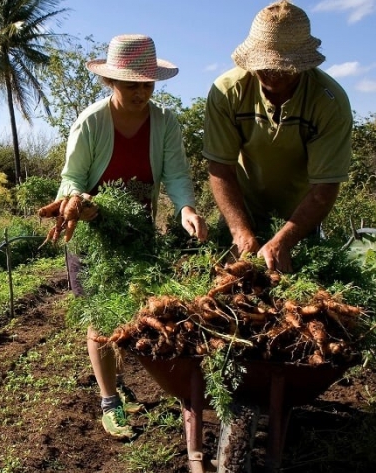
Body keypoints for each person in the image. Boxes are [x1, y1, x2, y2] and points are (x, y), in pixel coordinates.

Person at [50, 34, 208, 439]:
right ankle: (108, 401)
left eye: (147, 84)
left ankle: (116, 384)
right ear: (111, 83)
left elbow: (175, 174)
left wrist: (186, 207)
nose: (140, 92)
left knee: (127, 312)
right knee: (100, 317)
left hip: (137, 230)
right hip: (92, 231)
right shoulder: (92, 122)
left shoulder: (166, 122)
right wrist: (78, 201)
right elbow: (71, 176)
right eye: (131, 84)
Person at [203, 0, 353, 274]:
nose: (272, 74)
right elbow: (220, 166)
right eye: (265, 66)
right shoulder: (228, 91)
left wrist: (285, 240)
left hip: (298, 217)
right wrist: (239, 230)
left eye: (283, 68)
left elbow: (325, 186)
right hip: (240, 208)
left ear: (301, 64)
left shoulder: (328, 101)